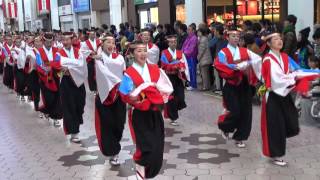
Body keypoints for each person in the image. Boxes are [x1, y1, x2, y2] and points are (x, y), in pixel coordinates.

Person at [260, 32, 320, 166]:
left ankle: (277, 147)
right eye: (275, 39)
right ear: (269, 44)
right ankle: (276, 154)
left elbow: (297, 69)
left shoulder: (285, 56)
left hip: (284, 93)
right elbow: (277, 80)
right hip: (274, 95)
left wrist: (312, 73)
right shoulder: (268, 59)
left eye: (280, 38)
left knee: (291, 120)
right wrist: (295, 77)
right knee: (276, 125)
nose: (279, 41)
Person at [119, 40, 173, 180]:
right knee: (146, 145)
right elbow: (125, 94)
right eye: (138, 51)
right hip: (139, 114)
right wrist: (139, 99)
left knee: (158, 145)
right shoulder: (129, 73)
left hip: (155, 112)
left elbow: (165, 88)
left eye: (144, 50)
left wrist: (155, 96)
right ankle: (140, 168)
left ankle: (147, 171)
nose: (143, 54)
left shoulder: (155, 69)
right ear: (132, 54)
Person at [214, 29, 262, 148]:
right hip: (231, 85)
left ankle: (240, 137)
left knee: (246, 112)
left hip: (244, 85)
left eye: (238, 36)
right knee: (235, 111)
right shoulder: (223, 52)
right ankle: (225, 127)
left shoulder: (245, 51)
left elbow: (258, 60)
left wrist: (249, 64)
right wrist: (236, 66)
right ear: (227, 38)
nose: (236, 38)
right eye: (233, 36)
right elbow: (219, 64)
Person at [51, 32, 90, 143]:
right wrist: (61, 68)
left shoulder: (78, 52)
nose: (65, 42)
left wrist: (72, 68)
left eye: (67, 40)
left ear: (72, 40)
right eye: (63, 40)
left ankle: (76, 125)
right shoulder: (59, 52)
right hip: (66, 83)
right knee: (69, 107)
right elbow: (54, 64)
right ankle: (74, 132)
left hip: (78, 83)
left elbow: (82, 65)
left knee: (80, 105)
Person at [94, 34, 126, 166]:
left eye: (113, 43)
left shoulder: (120, 58)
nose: (111, 45)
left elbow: (124, 74)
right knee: (107, 124)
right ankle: (113, 152)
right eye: (108, 42)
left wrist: (127, 90)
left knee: (119, 123)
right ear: (102, 44)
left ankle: (115, 146)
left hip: (118, 96)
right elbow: (104, 73)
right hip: (104, 96)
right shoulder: (98, 58)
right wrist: (117, 82)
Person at [160, 35, 189, 126]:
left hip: (178, 77)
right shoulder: (164, 53)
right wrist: (176, 64)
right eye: (171, 42)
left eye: (175, 42)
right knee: (171, 97)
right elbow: (164, 65)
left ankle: (173, 111)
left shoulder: (180, 53)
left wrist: (180, 67)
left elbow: (184, 64)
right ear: (168, 43)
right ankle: (173, 117)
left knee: (180, 96)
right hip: (169, 77)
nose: (173, 43)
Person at [35, 32, 62, 125]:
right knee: (48, 98)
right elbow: (38, 64)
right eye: (47, 42)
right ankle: (45, 110)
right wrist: (45, 70)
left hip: (56, 77)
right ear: (44, 41)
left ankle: (55, 118)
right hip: (45, 78)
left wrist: (51, 67)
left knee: (56, 98)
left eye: (51, 42)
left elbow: (58, 62)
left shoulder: (57, 50)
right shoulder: (39, 51)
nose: (49, 44)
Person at [81, 28, 102, 94]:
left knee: (98, 74)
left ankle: (99, 87)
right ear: (89, 35)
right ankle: (93, 89)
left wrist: (98, 53)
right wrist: (90, 52)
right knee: (91, 74)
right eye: (92, 34)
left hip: (98, 61)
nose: (93, 35)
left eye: (94, 34)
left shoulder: (99, 41)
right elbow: (82, 51)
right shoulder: (85, 43)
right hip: (90, 61)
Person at [182, 24, 198, 90]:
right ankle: (190, 83)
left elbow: (191, 49)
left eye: (189, 30)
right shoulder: (188, 37)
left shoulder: (194, 38)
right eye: (187, 29)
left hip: (191, 57)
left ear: (193, 30)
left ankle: (193, 85)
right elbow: (183, 46)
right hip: (186, 56)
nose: (187, 31)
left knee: (192, 71)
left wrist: (184, 53)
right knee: (188, 70)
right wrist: (181, 53)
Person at [197, 26, 212, 91]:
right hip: (206, 58)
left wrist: (198, 58)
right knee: (206, 73)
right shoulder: (204, 38)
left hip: (204, 59)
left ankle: (206, 87)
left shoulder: (202, 40)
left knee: (204, 73)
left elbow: (201, 50)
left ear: (201, 32)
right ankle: (207, 86)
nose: (197, 33)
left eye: (198, 32)